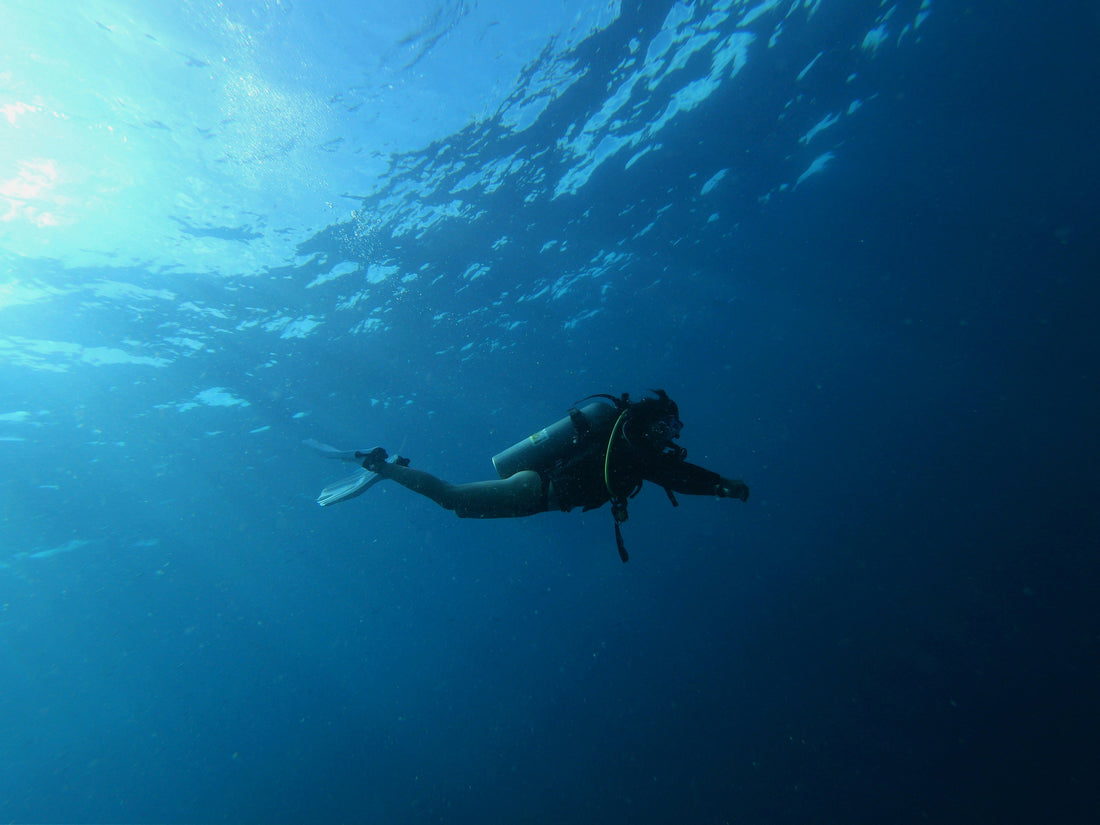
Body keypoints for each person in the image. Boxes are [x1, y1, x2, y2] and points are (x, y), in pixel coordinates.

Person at [310, 390, 748, 561]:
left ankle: (389, 469)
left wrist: (715, 484)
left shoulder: (632, 444)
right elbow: (677, 474)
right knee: (452, 498)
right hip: (539, 489)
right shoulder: (635, 445)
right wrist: (719, 485)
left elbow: (671, 471)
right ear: (650, 422)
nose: (670, 437)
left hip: (542, 490)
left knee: (455, 502)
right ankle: (381, 466)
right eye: (668, 427)